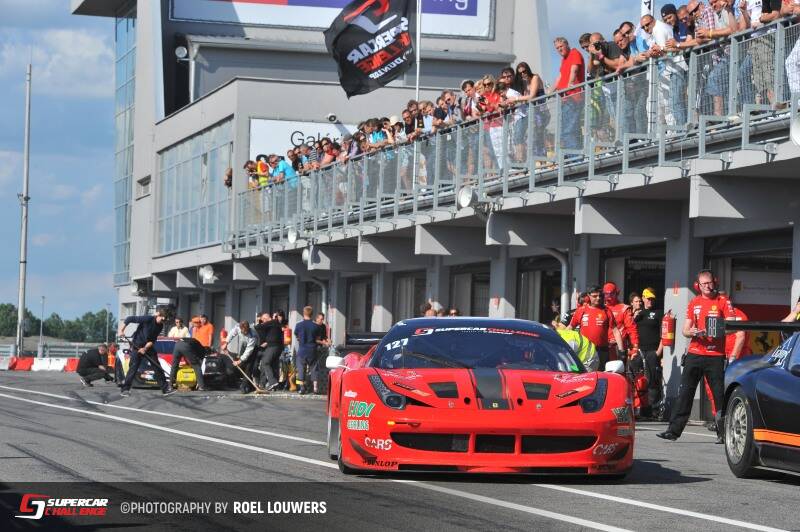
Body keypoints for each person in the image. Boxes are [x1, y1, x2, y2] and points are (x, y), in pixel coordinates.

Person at [658, 269, 744, 443]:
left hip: (715, 356)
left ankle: (723, 433)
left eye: (709, 282)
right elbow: (685, 330)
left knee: (719, 395)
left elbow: (734, 327)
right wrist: (693, 332)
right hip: (694, 354)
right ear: (698, 285)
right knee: (685, 392)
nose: (707, 286)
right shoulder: (694, 302)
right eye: (703, 283)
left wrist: (717, 329)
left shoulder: (723, 301)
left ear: (715, 282)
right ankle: (673, 431)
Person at [118, 309, 175, 397]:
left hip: (147, 347)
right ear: (158, 315)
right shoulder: (148, 319)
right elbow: (129, 319)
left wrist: (144, 348)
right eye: (162, 319)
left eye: (164, 321)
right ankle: (125, 389)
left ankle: (165, 388)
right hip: (137, 345)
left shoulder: (160, 326)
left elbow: (152, 340)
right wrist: (121, 331)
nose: (162, 322)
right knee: (133, 367)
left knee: (157, 366)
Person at [568, 285, 625, 368]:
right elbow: (570, 328)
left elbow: (615, 331)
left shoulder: (607, 311)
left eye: (600, 296)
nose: (598, 298)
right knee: (581, 372)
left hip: (601, 351)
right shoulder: (581, 310)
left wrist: (621, 350)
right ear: (589, 296)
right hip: (584, 350)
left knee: (600, 374)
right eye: (595, 296)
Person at [632, 288, 665, 416]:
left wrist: (658, 352)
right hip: (639, 351)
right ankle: (638, 408)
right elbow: (629, 331)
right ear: (643, 298)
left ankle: (653, 410)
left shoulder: (658, 313)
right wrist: (634, 315)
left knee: (652, 381)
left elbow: (664, 333)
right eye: (648, 298)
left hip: (652, 351)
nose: (650, 301)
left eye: (652, 299)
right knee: (636, 380)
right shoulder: (638, 314)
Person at [550, 37, 585, 152]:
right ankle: (576, 155)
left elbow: (574, 70)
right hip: (565, 99)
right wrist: (549, 92)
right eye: (557, 48)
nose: (559, 49)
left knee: (568, 130)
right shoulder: (564, 60)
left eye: (561, 46)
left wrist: (570, 84)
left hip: (572, 97)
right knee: (571, 129)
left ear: (567, 44)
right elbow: (559, 77)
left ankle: (575, 158)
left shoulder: (574, 53)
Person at [602, 282, 640, 362]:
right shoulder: (599, 308)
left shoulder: (624, 309)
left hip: (618, 347)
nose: (609, 296)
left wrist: (635, 347)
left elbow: (632, 329)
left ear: (617, 293)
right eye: (606, 294)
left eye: (611, 294)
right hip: (601, 347)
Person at [294, 306, 323, 395]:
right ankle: (315, 388)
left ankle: (302, 387)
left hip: (302, 350)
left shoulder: (298, 325)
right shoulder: (316, 326)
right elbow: (318, 338)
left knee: (301, 368)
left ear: (304, 313)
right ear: (312, 314)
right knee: (314, 368)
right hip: (312, 350)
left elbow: (297, 336)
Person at [224, 320, 258, 393]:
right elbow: (232, 334)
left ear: (248, 329)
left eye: (246, 331)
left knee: (248, 367)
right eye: (243, 331)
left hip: (253, 348)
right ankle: (251, 386)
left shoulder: (253, 336)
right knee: (242, 366)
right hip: (244, 345)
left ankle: (244, 386)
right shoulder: (238, 327)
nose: (244, 333)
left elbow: (249, 350)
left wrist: (239, 361)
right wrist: (226, 343)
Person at [254, 312, 283, 391]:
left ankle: (273, 382)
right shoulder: (274, 323)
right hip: (277, 347)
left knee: (265, 362)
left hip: (273, 346)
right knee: (273, 365)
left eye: (263, 320)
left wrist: (258, 321)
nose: (263, 322)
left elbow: (258, 327)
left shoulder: (272, 322)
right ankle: (274, 385)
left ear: (265, 318)